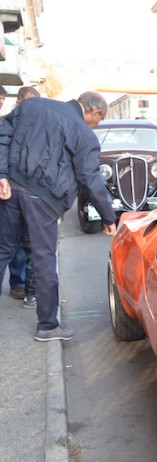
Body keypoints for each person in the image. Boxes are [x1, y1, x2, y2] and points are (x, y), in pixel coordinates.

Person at [0, 91, 117, 341]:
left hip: (12, 187)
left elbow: (4, 134)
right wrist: (108, 217)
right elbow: (91, 180)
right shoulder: (84, 134)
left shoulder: (32, 105)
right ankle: (47, 325)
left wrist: (2, 174)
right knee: (44, 259)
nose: (97, 123)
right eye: (100, 118)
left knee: (3, 250)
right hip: (43, 199)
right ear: (95, 111)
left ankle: (48, 324)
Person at [6, 86, 40, 305]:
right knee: (15, 246)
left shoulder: (40, 127)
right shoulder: (7, 124)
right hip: (9, 193)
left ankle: (29, 289)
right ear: (18, 104)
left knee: (30, 245)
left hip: (32, 194)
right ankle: (18, 284)